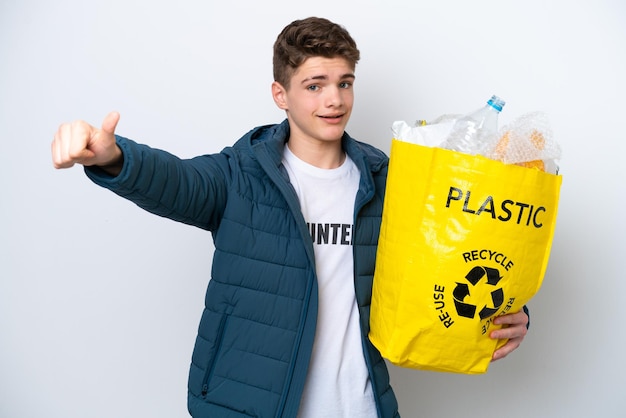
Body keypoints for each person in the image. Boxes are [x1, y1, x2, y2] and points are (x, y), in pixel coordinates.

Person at [51, 17, 529, 418]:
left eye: (344, 83)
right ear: (280, 94)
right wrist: (115, 157)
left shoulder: (386, 181)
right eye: (314, 85)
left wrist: (511, 311)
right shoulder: (240, 174)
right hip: (251, 405)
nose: (334, 100)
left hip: (361, 405)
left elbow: (444, 264)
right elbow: (175, 181)